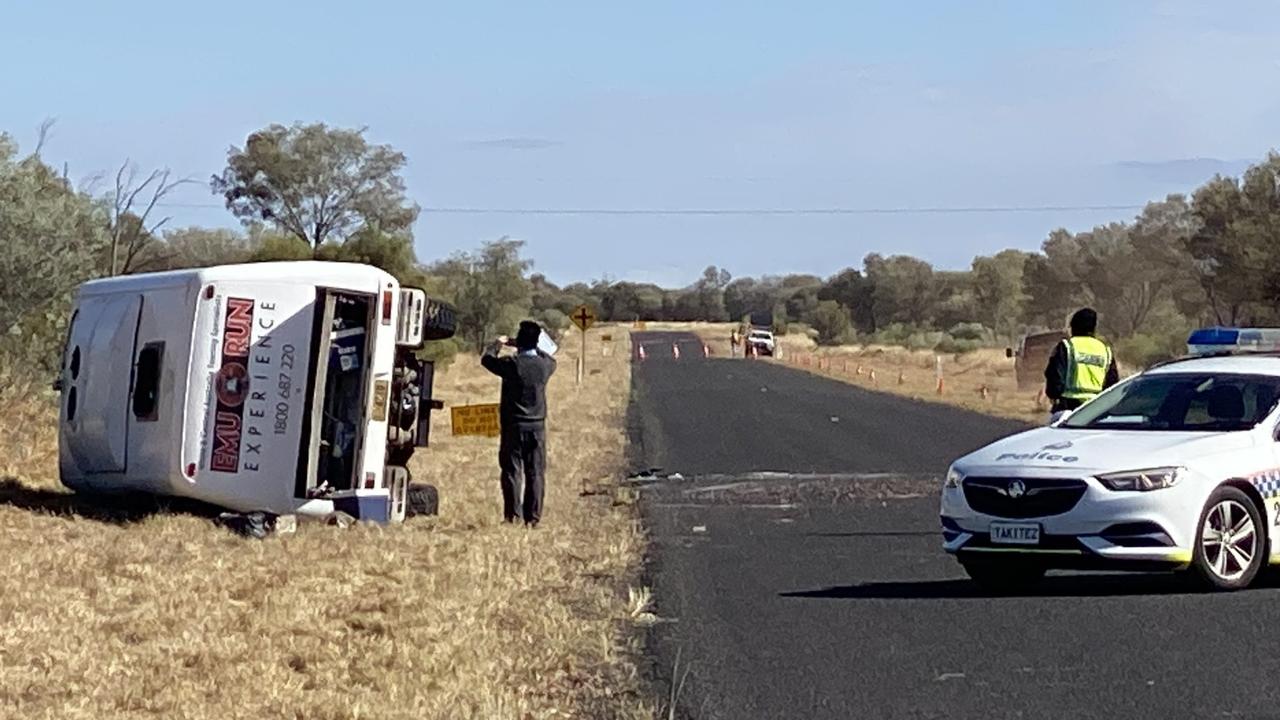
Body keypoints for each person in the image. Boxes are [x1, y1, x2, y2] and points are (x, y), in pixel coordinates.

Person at [481, 320, 557, 526]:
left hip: (514, 425)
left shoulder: (512, 365)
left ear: (519, 342)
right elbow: (549, 356)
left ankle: (513, 516)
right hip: (537, 425)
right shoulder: (545, 366)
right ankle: (533, 518)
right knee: (536, 472)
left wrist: (498, 344)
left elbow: (487, 360)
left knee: (512, 470)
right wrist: (526, 345)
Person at [1044, 307, 1119, 418]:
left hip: (1068, 407)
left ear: (1074, 327)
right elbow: (1112, 383)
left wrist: (1054, 396)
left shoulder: (1067, 346)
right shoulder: (1104, 350)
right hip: (1096, 410)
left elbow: (1054, 375)